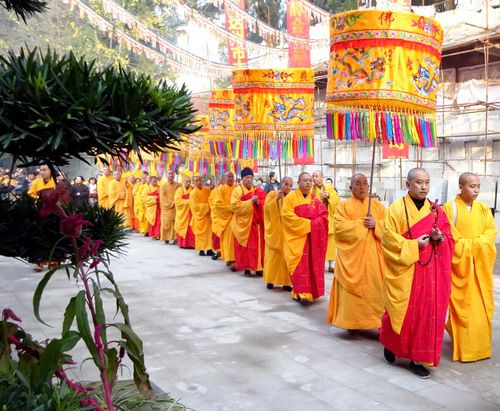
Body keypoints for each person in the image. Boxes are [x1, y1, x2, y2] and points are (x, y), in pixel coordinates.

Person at [380, 168, 454, 379]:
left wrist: (439, 238)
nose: (424, 187)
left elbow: (449, 237)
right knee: (402, 314)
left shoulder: (436, 210)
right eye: (419, 182)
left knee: (425, 316)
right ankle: (392, 345)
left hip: (430, 274)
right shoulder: (396, 210)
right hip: (406, 272)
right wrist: (413, 245)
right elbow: (388, 240)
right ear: (408, 184)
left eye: (427, 182)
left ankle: (417, 359)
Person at [443, 173, 497, 362]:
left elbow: (490, 233)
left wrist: (475, 245)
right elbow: (450, 237)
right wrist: (473, 246)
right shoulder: (449, 209)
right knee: (463, 309)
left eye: (478, 186)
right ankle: (466, 349)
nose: (476, 190)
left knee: (481, 309)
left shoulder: (483, 209)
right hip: (460, 268)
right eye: (472, 186)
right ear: (461, 186)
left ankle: (480, 348)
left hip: (479, 269)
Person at [327, 173, 386, 330]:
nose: (362, 187)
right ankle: (351, 322)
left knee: (376, 289)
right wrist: (361, 224)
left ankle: (376, 322)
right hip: (351, 259)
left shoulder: (378, 206)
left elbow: (390, 227)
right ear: (350, 187)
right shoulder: (343, 206)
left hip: (374, 257)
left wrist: (376, 224)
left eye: (365, 183)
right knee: (351, 295)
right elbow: (339, 228)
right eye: (358, 183)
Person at [282, 172, 329, 305]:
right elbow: (287, 217)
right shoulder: (290, 198)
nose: (308, 182)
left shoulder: (315, 200)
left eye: (310, 180)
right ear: (298, 183)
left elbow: (324, 216)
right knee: (299, 267)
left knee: (311, 266)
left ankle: (309, 292)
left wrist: (315, 223)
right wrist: (309, 224)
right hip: (297, 239)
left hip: (312, 239)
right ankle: (301, 293)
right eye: (305, 180)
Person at [231, 167, 266, 277]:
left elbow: (265, 202)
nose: (249, 179)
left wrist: (259, 203)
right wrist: (250, 202)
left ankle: (259, 267)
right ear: (242, 178)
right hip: (243, 224)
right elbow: (235, 207)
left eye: (251, 177)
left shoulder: (258, 190)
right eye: (247, 177)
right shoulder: (237, 191)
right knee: (245, 248)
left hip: (256, 223)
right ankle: (246, 268)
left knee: (257, 246)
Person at [263, 177, 293, 291]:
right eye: (286, 184)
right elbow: (266, 209)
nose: (288, 187)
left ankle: (286, 283)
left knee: (286, 258)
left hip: (286, 231)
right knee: (273, 257)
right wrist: (276, 200)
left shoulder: (291, 197)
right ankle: (270, 280)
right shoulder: (272, 194)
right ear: (281, 184)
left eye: (290, 185)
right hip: (274, 231)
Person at [312, 170, 340, 273]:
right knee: (318, 244)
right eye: (313, 176)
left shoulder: (329, 188)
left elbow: (337, 199)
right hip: (317, 219)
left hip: (328, 219)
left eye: (317, 176)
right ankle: (319, 264)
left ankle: (331, 265)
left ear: (322, 177)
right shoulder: (311, 190)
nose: (315, 178)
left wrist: (329, 196)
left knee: (331, 244)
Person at [214, 172, 236, 269]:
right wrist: (232, 209)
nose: (231, 178)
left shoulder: (236, 189)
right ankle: (229, 258)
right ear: (224, 178)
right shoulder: (220, 189)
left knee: (235, 240)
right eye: (229, 177)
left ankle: (235, 259)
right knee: (228, 240)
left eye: (232, 177)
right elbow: (218, 205)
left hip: (236, 218)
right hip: (226, 219)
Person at [189, 174, 214, 256]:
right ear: (193, 182)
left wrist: (213, 189)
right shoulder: (193, 193)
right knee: (200, 234)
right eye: (196, 181)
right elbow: (195, 207)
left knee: (209, 234)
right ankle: (201, 250)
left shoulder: (207, 190)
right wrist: (208, 206)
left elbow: (212, 198)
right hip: (199, 217)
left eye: (200, 180)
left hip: (207, 216)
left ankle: (209, 249)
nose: (199, 182)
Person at [174, 172, 195, 248]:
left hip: (191, 213)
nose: (188, 183)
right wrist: (189, 202)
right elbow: (177, 201)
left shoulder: (193, 189)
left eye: (189, 181)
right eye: (186, 181)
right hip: (182, 213)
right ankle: (182, 244)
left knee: (191, 229)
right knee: (182, 227)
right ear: (183, 181)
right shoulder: (179, 190)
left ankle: (191, 244)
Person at [208, 174, 226, 260]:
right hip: (218, 216)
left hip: (228, 216)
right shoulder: (215, 191)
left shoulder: (234, 189)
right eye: (225, 179)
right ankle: (219, 251)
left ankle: (226, 253)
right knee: (217, 235)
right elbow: (211, 202)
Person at [160, 170, 180, 244]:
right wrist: (172, 203)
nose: (171, 175)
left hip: (176, 207)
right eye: (169, 174)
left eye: (172, 174)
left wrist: (176, 201)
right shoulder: (163, 186)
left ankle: (175, 238)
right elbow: (163, 198)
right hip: (167, 207)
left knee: (175, 222)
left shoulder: (178, 185)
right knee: (166, 223)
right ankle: (166, 238)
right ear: (166, 175)